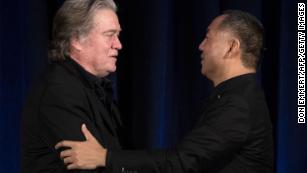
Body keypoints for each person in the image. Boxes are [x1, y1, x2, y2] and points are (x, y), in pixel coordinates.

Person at [55, 10, 274, 173]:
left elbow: (182, 162)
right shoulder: (237, 97)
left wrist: (105, 157)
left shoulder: (238, 105)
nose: (201, 46)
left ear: (231, 47)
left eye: (208, 37)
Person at [21, 0, 123, 172]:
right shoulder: (59, 92)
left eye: (118, 35)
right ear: (76, 39)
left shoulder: (93, 89)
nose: (118, 45)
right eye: (109, 35)